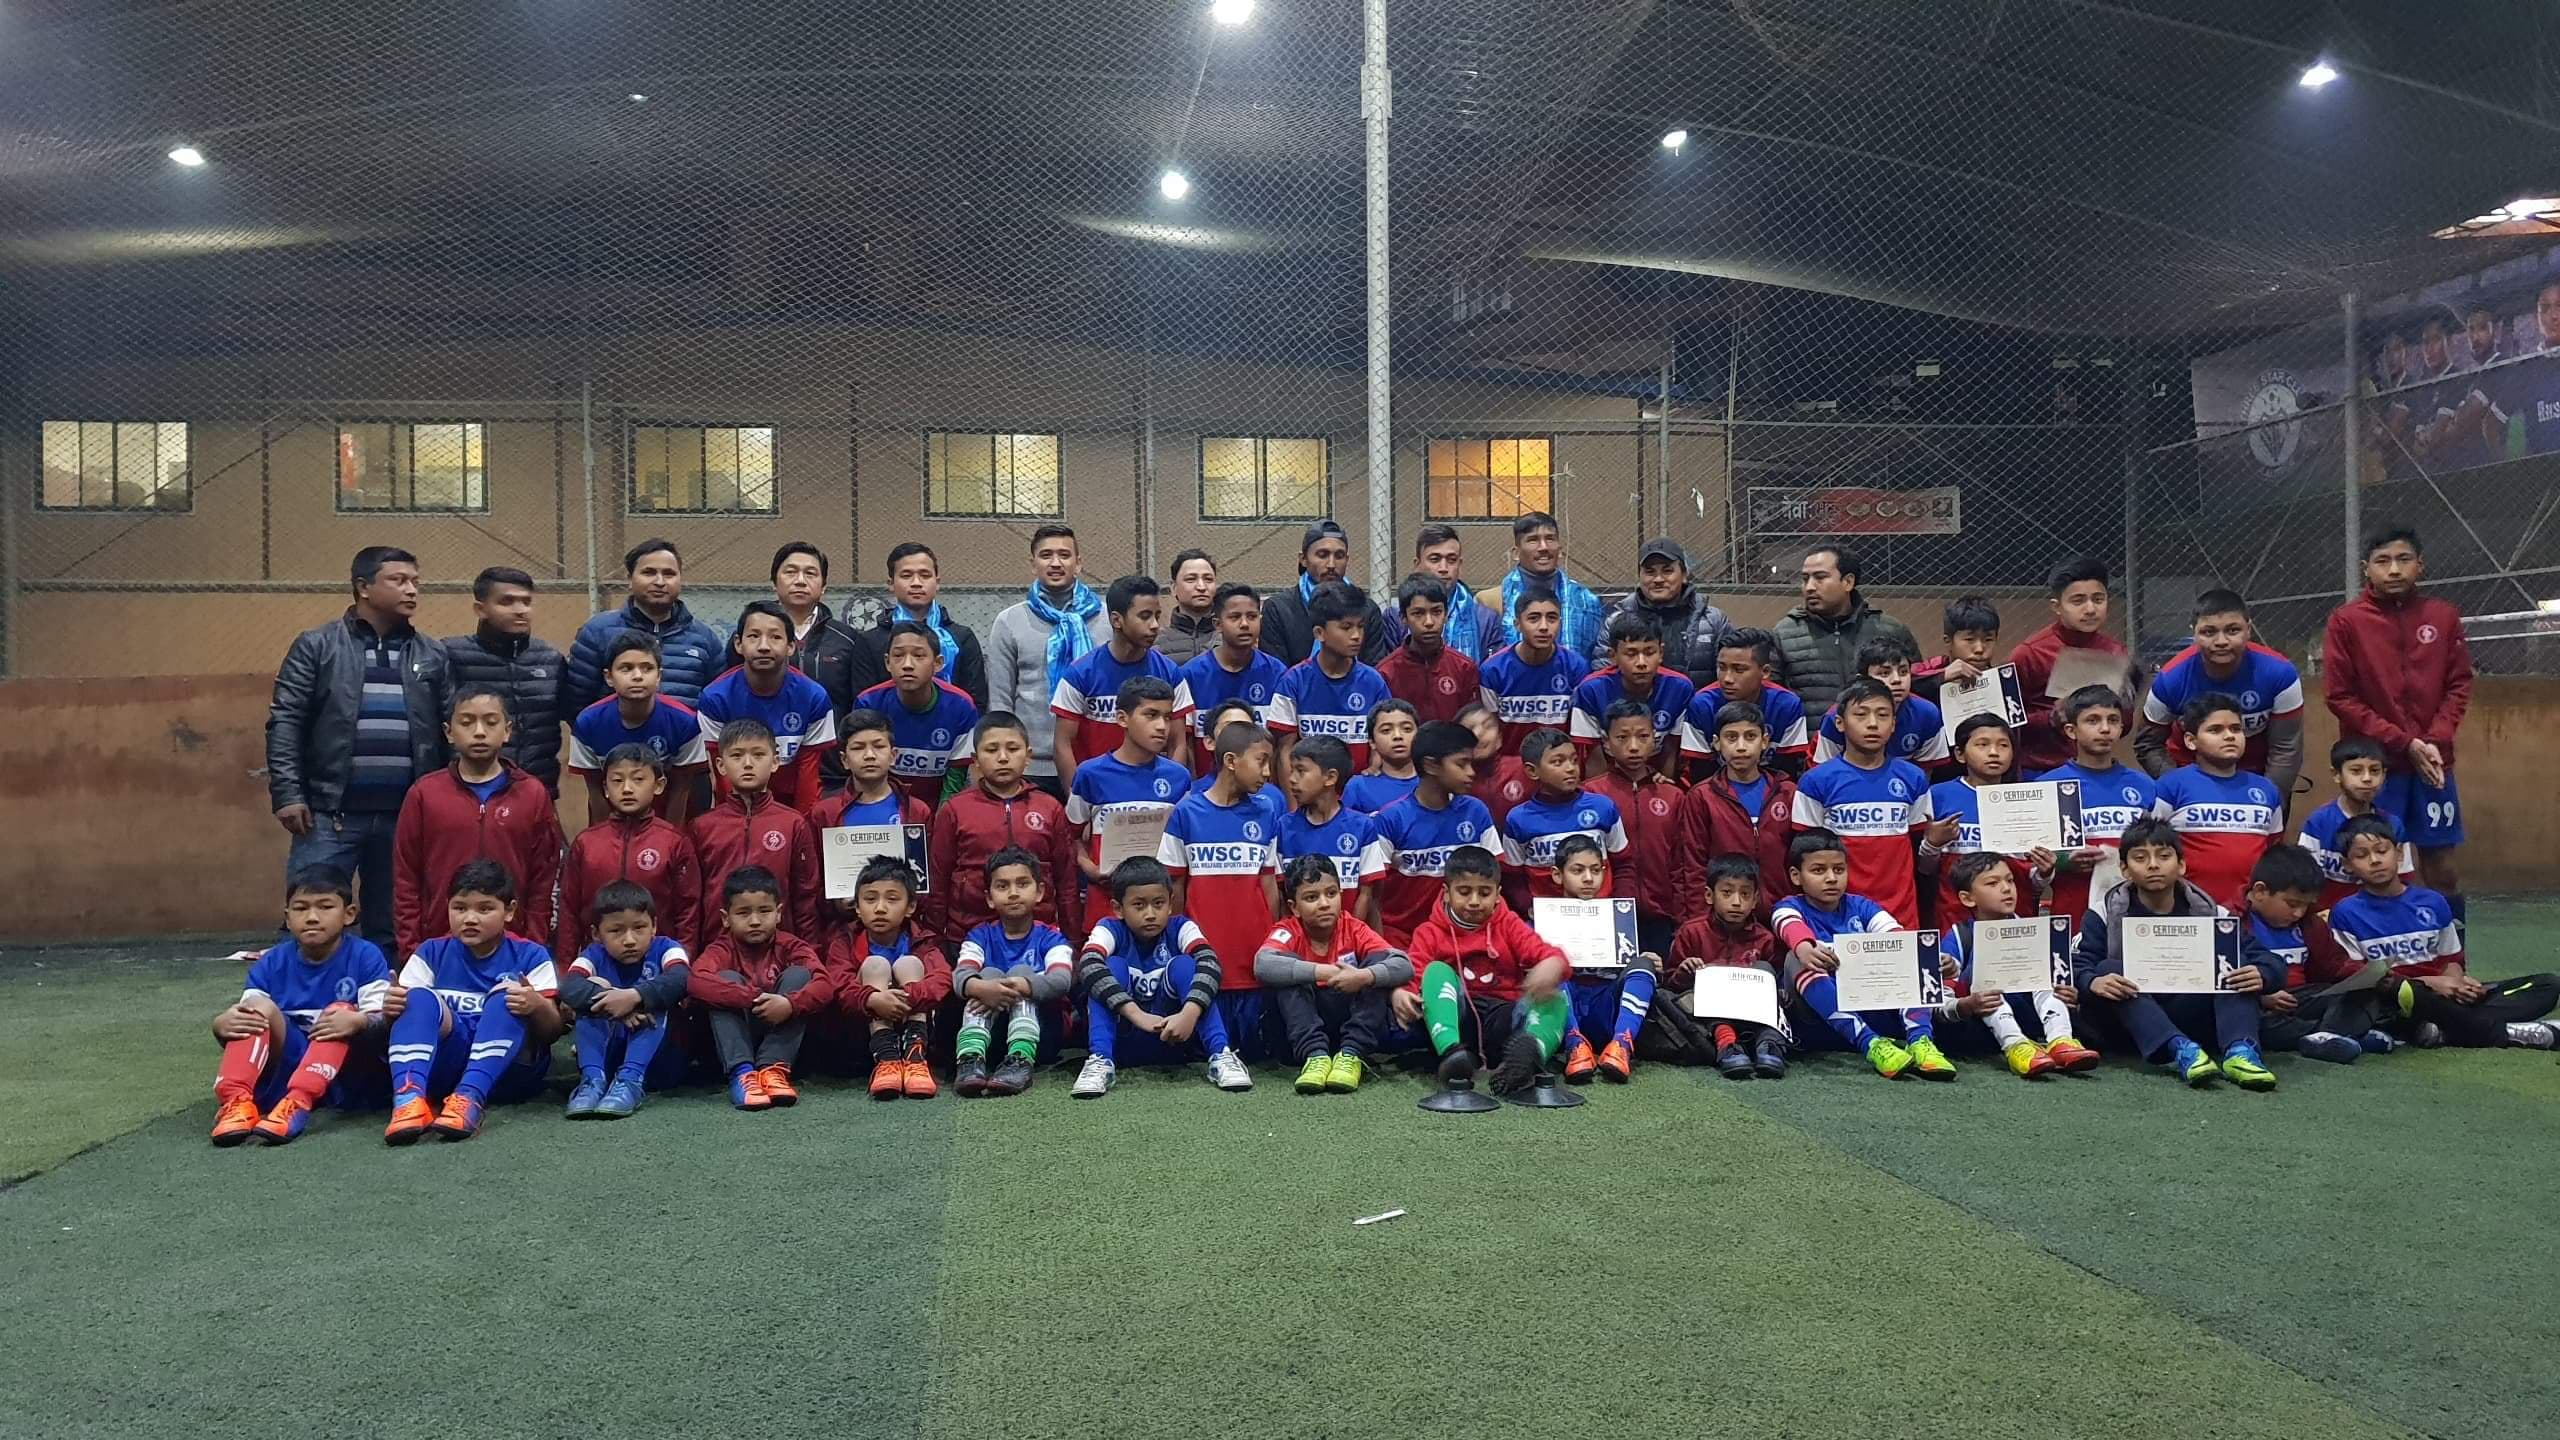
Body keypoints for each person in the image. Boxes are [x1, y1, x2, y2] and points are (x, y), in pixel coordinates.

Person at [266, 545, 453, 946]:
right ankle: (297, 987)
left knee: (394, 923)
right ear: (363, 587)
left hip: (406, 816)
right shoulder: (317, 645)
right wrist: (288, 793)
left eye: (415, 582)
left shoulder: (432, 653)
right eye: (398, 580)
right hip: (328, 815)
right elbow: (286, 720)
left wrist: (443, 803)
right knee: (313, 915)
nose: (412, 590)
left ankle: (384, 987)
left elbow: (449, 730)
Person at [2322, 526, 2474, 924]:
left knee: (2442, 868)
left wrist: (2434, 741)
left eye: (2403, 560)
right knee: (2374, 861)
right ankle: (2378, 951)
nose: (2393, 570)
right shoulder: (2346, 621)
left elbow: (2459, 684)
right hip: (2375, 768)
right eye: (2382, 561)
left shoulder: (2443, 616)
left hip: (2433, 765)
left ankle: (2452, 953)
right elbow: (2339, 696)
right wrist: (2405, 743)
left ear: (2419, 565)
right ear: (2366, 568)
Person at [2070, 819, 2281, 1089]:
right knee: (2107, 968)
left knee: (2234, 963)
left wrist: (2263, 974)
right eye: (2140, 858)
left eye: (2164, 856)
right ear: (2124, 869)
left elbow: (2269, 960)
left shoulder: (2213, 913)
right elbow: (2076, 964)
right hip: (2130, 1023)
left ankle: (2241, 1051)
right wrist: (2092, 981)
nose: (2153, 865)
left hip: (2193, 1013)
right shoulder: (2103, 912)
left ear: (2181, 865)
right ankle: (2179, 1049)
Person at [2328, 816, 2559, 1051]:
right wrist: (2432, 984)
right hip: (2399, 1001)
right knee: (2403, 996)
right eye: (2362, 855)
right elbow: (2361, 979)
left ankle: (2444, 1032)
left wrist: (2458, 984)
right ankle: (2507, 1034)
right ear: (2347, 864)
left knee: (2547, 985)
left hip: (2446, 997)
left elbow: (2451, 959)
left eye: (2381, 851)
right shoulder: (2346, 912)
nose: (2375, 860)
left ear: (2398, 854)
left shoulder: (2432, 901)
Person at [208, 866, 390, 1146]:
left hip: (349, 1075)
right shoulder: (272, 962)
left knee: (341, 1011)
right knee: (255, 1009)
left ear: (349, 914)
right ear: (287, 918)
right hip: (288, 1066)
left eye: (325, 907)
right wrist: (221, 1025)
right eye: (301, 908)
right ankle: (236, 1102)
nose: (312, 917)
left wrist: (360, 1021)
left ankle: (298, 1102)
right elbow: (247, 1024)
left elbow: (384, 1022)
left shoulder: (366, 955)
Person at [382, 860, 559, 1143]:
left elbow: (553, 1032)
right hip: (445, 1072)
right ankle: (409, 1099)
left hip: (509, 1075)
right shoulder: (430, 953)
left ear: (509, 911)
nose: (470, 919)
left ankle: (469, 1098)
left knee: (508, 995)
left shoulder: (531, 956)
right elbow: (403, 1025)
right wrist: (391, 1012)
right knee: (416, 998)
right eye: (460, 908)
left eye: (485, 909)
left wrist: (536, 1005)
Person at [388, 685, 561, 960]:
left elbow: (543, 881)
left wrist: (532, 947)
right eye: (467, 722)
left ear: (507, 730)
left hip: (513, 948)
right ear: (448, 732)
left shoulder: (532, 794)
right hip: (438, 947)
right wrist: (412, 951)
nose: (479, 732)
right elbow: (406, 879)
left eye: (490, 722)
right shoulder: (424, 794)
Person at [1772, 829, 1956, 1080]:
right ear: (1796, 876)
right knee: (1798, 958)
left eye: (1839, 869)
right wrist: (1804, 946)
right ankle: (1871, 1045)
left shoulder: (1862, 906)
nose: (1831, 878)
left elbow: (1896, 936)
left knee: (1911, 953)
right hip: (1820, 1019)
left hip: (1876, 1005)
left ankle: (1920, 1041)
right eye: (1818, 870)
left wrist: (1931, 959)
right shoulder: (1788, 906)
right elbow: (1789, 926)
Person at [1392, 845, 1573, 1096]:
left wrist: (1552, 964)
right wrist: (1402, 992)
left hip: (1506, 1022)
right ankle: (1452, 1054)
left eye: (1484, 893)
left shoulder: (1509, 923)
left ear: (1498, 894)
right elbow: (1415, 972)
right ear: (1446, 893)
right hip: (1459, 1021)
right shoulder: (1429, 932)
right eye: (1464, 892)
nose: (1475, 901)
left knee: (1557, 996)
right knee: (1436, 970)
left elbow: (1547, 953)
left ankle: (1529, 1055)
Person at [1072, 856, 1255, 1096]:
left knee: (1186, 965)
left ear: (1170, 903)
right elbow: (1087, 964)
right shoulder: (1109, 928)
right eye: (1139, 905)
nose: (1150, 914)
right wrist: (1136, 1014)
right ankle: (1100, 1061)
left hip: (1174, 1038)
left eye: (1158, 904)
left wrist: (1189, 1013)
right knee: (1111, 966)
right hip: (1122, 1040)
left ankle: (1221, 1054)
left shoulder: (1181, 927)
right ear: (1118, 908)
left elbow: (1211, 964)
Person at [1158, 721, 1285, 1060]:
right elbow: (1174, 888)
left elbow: (1269, 883)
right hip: (1204, 957)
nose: (1268, 772)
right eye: (1261, 761)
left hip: (1253, 958)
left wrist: (1272, 942)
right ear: (1231, 761)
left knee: (1257, 1053)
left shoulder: (1267, 811)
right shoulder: (1185, 813)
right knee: (1206, 1051)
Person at [1934, 852, 2100, 1079]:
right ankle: (2015, 1046)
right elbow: (1940, 1003)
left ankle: (2061, 1040)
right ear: (1968, 898)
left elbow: (2061, 983)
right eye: (1993, 883)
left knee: (2042, 967)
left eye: (2010, 880)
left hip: (2030, 1019)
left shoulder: (2035, 931)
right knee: (1982, 966)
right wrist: (1965, 1005)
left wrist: (2068, 996)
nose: (2006, 888)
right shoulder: (1959, 935)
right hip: (1980, 1028)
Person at [1256, 854, 1412, 1095]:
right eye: (1311, 897)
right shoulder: (1288, 930)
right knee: (1286, 970)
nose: (1324, 904)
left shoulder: (1354, 927)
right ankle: (1315, 1057)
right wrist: (1325, 972)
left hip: (1345, 1030)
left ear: (1340, 895)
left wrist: (1364, 976)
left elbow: (1402, 964)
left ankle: (1351, 1055)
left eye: (1331, 894)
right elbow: (1262, 964)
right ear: (1294, 907)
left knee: (1376, 965)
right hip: (1297, 1039)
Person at [687, 864, 834, 1110]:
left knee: (800, 975)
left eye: (764, 911)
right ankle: (742, 1074)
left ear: (778, 913)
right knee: (723, 980)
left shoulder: (792, 946)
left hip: (782, 1035)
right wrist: (753, 998)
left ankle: (773, 1069)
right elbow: (696, 981)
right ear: (725, 918)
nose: (755, 921)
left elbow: (825, 984)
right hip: (736, 1036)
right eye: (743, 913)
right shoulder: (721, 949)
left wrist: (789, 1004)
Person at [929, 712, 1079, 948]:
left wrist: (1073, 943)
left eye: (1013, 749)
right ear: (975, 760)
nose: (1002, 758)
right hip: (968, 937)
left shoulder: (1050, 808)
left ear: (1028, 756)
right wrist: (934, 942)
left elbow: (1066, 882)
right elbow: (938, 882)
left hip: (1039, 936)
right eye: (991, 750)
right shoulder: (954, 810)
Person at [2136, 590, 2305, 796]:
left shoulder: (2280, 673)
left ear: (2248, 629)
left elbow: (2286, 749)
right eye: (2209, 632)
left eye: (2233, 630)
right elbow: (2148, 744)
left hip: (2258, 777)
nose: (2221, 641)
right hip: (2190, 775)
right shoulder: (2171, 678)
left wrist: (2269, 798)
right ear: (2194, 633)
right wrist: (2179, 787)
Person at [1789, 678, 1927, 930]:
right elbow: (1805, 852)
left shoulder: (1914, 778)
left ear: (1893, 724)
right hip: (1839, 918)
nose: (1872, 723)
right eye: (1861, 715)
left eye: (1882, 715)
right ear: (1840, 723)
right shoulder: (1815, 782)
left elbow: (1919, 844)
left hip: (1901, 913)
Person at [986, 524, 1109, 799]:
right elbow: (1001, 700)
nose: (1055, 563)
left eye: (1064, 555)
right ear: (1033, 564)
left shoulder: (1107, 619)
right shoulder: (1009, 621)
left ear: (1078, 563)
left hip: (1097, 759)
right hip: (1032, 766)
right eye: (1046, 555)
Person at [2242, 844, 2391, 1067]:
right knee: (2253, 1022)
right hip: (2261, 1006)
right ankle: (2345, 1033)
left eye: (2305, 905)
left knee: (2362, 993)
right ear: (2260, 891)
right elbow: (2220, 976)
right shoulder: (2232, 921)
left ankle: (2328, 1036)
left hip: (2303, 998)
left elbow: (2334, 965)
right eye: (2292, 904)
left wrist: (2368, 974)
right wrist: (2261, 997)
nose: (2298, 912)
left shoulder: (2309, 924)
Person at [559, 880, 695, 1118]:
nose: (630, 940)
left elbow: (682, 978)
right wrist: (616, 1006)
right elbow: (568, 986)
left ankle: (631, 1080)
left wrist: (635, 996)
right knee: (590, 995)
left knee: (655, 999)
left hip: (662, 1062)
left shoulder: (666, 948)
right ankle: (591, 1081)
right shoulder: (594, 954)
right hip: (610, 1058)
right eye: (616, 931)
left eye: (639, 927)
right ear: (596, 934)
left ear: (654, 926)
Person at [1065, 677, 1191, 933]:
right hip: (1106, 906)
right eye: (1151, 715)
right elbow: (1070, 835)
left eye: (1167, 717)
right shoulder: (1090, 774)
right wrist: (1088, 866)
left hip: (1160, 910)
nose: (1162, 726)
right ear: (1122, 718)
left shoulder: (1179, 778)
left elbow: (1185, 842)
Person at [950, 847, 1077, 1097]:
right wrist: (982, 988)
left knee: (1021, 972)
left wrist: (1020, 985)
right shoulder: (979, 936)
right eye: (1002, 886)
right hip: (993, 1036)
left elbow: (1061, 980)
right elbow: (960, 976)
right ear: (989, 898)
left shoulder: (1051, 938)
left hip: (1043, 1038)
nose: (1013, 893)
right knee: (987, 975)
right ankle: (970, 1059)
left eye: (1022, 884)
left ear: (1039, 892)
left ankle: (1021, 1059)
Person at [687, 718, 822, 948]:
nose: (748, 764)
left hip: (779, 949)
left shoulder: (793, 823)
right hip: (717, 947)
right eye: (737, 756)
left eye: (758, 755)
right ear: (720, 765)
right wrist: (690, 954)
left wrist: (809, 954)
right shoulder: (702, 827)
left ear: (775, 762)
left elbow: (806, 897)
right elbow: (691, 900)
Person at [557, 743, 700, 960]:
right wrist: (565, 968)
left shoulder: (674, 842)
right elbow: (569, 911)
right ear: (605, 789)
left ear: (659, 785)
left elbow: (688, 912)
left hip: (658, 963)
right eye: (617, 780)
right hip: (597, 961)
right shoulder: (585, 844)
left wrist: (682, 964)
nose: (627, 789)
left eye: (638, 779)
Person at [2033, 684, 2158, 927]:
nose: (2105, 729)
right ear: (2071, 730)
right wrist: (2066, 861)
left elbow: (2161, 847)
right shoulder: (2046, 786)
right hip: (2073, 910)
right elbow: (2030, 856)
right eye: (2093, 720)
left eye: (2113, 720)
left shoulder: (2145, 786)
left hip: (2136, 913)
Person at [1651, 855, 1787, 1078]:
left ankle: (1768, 1044)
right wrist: (1685, 972)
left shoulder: (1765, 939)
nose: (1736, 902)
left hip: (1751, 1013)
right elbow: (1670, 986)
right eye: (1727, 893)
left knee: (1765, 970)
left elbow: (1778, 985)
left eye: (1745, 894)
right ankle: (1727, 1043)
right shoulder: (1691, 932)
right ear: (1709, 895)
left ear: (1755, 900)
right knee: (1667, 997)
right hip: (1706, 1014)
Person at [1052, 573, 1194, 785]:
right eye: (1145, 616)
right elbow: (1063, 745)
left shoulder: (1170, 672)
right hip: (1098, 790)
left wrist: (1170, 790)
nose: (1155, 625)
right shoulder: (1080, 674)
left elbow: (1178, 743)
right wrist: (1077, 797)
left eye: (1157, 616)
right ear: (1116, 620)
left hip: (1152, 790)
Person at [698, 600, 836, 814]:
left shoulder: (813, 697)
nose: (764, 646)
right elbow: (722, 774)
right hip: (736, 807)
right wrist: (734, 822)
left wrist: (802, 824)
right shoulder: (715, 697)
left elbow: (808, 773)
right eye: (754, 636)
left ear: (791, 646)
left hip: (790, 807)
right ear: (738, 643)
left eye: (775, 637)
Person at [2149, 693, 2284, 912]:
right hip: (2186, 910)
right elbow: (2150, 847)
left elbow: (2274, 852)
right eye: (2215, 730)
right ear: (2191, 741)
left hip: (2249, 913)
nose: (2229, 736)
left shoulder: (2267, 790)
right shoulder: (2170, 786)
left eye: (2236, 729)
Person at [1542, 834, 1659, 1085]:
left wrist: (1643, 960)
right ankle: (1574, 1045)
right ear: (1557, 875)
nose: (1588, 878)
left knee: (1644, 966)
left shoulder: (1618, 917)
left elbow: (1630, 962)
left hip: (1606, 1008)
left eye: (1596, 870)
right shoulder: (1542, 920)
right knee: (1547, 966)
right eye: (1578, 870)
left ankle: (1621, 1045)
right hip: (1565, 1011)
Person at [1370, 720, 1499, 946]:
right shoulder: (1390, 819)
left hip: (1465, 936)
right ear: (1431, 765)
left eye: (1471, 763)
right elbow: (1372, 895)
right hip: (1402, 939)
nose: (1471, 772)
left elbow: (1494, 879)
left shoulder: (1476, 811)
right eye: (1461, 764)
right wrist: (1383, 951)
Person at [2010, 556, 2141, 776]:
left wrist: (2122, 709)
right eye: (2078, 601)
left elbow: (2124, 726)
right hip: (2040, 771)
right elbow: (2005, 723)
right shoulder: (2029, 653)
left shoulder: (2117, 653)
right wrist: (2052, 718)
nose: (2090, 609)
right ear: (2057, 606)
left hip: (2097, 769)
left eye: (2098, 599)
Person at [834, 856, 952, 1100]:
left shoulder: (922, 941)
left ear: (910, 907)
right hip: (864, 1036)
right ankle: (886, 1058)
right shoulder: (844, 942)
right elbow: (838, 984)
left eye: (892, 899)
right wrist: (873, 999)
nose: (880, 908)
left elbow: (942, 979)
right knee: (875, 964)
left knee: (909, 963)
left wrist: (907, 996)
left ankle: (915, 1058)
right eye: (870, 899)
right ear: (857, 907)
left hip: (913, 1018)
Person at [810, 709, 933, 942]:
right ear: (844, 760)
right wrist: (834, 902)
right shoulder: (824, 813)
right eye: (858, 748)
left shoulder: (917, 811)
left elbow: (926, 879)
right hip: (842, 934)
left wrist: (908, 899)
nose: (869, 755)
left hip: (904, 934)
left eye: (878, 746)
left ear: (893, 755)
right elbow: (812, 881)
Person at [441, 566, 564, 793]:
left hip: (538, 789)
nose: (520, 610)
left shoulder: (550, 659)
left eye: (526, 602)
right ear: (480, 609)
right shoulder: (449, 655)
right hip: (466, 791)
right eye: (507, 602)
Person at [1910, 714, 2041, 927]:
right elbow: (1925, 869)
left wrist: (2046, 871)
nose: (1994, 752)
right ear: (1960, 754)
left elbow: (2033, 879)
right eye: (1982, 745)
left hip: (2015, 917)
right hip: (1953, 915)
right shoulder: (1937, 795)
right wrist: (1933, 843)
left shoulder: (2028, 800)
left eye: (2003, 745)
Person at [564, 538, 725, 709]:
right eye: (649, 573)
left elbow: (717, 704)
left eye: (669, 574)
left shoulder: (705, 638)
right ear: (630, 579)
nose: (660, 582)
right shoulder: (597, 632)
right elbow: (577, 701)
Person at [566, 634, 708, 824]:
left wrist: (670, 836)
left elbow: (681, 789)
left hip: (663, 822)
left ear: (659, 676)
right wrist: (602, 838)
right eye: (626, 668)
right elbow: (595, 791)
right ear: (609, 677)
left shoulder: (685, 722)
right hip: (611, 824)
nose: (638, 676)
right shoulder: (588, 723)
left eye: (647, 668)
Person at [1670, 701, 1795, 916]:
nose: (1741, 747)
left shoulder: (1788, 792)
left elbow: (1801, 858)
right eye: (1731, 737)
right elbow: (1692, 865)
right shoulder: (1702, 797)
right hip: (1725, 915)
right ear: (1717, 743)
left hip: (1782, 911)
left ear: (1764, 741)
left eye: (1750, 736)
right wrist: (1699, 921)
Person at [1580, 700, 1683, 953]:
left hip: (1662, 915)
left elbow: (1682, 862)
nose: (1634, 746)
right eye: (1622, 737)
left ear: (1654, 739)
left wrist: (1682, 917)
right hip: (1607, 911)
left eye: (1643, 736)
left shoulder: (1673, 795)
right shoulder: (1590, 795)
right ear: (1606, 743)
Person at [1772, 544, 1918, 714]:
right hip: (1812, 731)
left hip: (1879, 729)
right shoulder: (1784, 633)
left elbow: (1916, 685)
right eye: (1805, 579)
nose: (1810, 587)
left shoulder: (1890, 630)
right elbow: (1773, 698)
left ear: (1848, 582)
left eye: (1820, 578)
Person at [1268, 581, 1395, 774]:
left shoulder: (1374, 682)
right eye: (1346, 627)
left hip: (1358, 788)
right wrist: (1293, 794)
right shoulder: (1293, 681)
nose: (1356, 636)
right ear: (1320, 633)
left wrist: (1371, 774)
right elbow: (1285, 750)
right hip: (1308, 788)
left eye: (1360, 626)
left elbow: (1380, 744)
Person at [767, 542, 866, 786]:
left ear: (823, 587)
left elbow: (857, 706)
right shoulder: (753, 637)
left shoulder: (847, 640)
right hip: (766, 769)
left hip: (831, 770)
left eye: (810, 573)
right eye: (790, 572)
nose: (800, 581)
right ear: (774, 583)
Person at [1498, 728, 1629, 912]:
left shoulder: (1603, 808)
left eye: (1574, 760)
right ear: (1532, 771)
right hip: (1546, 917)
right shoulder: (1518, 819)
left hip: (1601, 912)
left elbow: (1624, 864)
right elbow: (1513, 877)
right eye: (1558, 762)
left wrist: (1619, 906)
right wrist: (1530, 908)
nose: (1570, 768)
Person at [854, 622, 978, 808]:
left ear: (938, 663)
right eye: (898, 656)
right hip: (885, 805)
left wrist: (943, 818)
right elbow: (866, 774)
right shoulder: (869, 703)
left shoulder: (961, 706)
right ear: (887, 662)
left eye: (919, 656)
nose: (907, 665)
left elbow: (955, 779)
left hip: (937, 805)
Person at [1276, 735, 1386, 930]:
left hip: (1351, 938)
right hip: (1300, 941)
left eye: (1301, 771)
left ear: (1330, 777)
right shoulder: (1283, 828)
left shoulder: (1362, 827)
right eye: (1291, 770)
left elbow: (1366, 895)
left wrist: (1349, 937)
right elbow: (1283, 898)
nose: (1291, 779)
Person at [1177, 581, 1287, 776]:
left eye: (1252, 616)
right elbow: (1186, 744)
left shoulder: (1277, 672)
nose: (1244, 624)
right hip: (1207, 787)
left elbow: (1281, 744)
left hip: (1261, 787)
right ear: (1217, 624)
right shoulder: (1191, 674)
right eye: (1235, 617)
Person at [863, 541, 988, 709]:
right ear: (891, 583)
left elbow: (976, 701)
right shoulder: (870, 642)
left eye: (925, 575)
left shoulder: (962, 638)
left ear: (937, 582)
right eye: (906, 575)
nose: (916, 582)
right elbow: (864, 702)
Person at [1571, 612, 1695, 778]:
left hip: (1655, 778)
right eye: (1631, 654)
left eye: (1649, 652)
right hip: (1609, 778)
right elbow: (1593, 755)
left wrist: (1664, 788)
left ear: (1661, 652)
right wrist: (1602, 791)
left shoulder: (1680, 688)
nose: (1641, 663)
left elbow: (1671, 749)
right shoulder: (1590, 690)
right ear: (1613, 656)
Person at [2297, 737, 2415, 909]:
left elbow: (2404, 880)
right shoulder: (2319, 822)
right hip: (2329, 915)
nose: (2367, 778)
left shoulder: (2393, 824)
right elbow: (2304, 879)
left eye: (2374, 771)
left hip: (2381, 913)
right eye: (2356, 771)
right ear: (2336, 774)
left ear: (2384, 774)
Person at [1680, 628, 1810, 780]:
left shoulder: (1787, 705)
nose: (1727, 679)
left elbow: (1788, 771)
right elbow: (1699, 773)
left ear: (1765, 672)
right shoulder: (1702, 705)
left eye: (1739, 670)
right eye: (1722, 668)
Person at [1596, 538, 1731, 685]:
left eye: (1667, 571)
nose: (1658, 579)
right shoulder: (1615, 621)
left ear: (1684, 575)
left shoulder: (1713, 621)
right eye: (1650, 572)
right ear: (1639, 576)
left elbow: (1730, 675)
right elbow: (1603, 674)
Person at [1811, 633, 1950, 773]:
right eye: (1884, 673)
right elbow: (1823, 773)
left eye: (1903, 672)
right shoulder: (1837, 716)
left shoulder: (1927, 713)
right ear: (1863, 678)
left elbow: (1925, 773)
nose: (1897, 680)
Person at [1477, 586, 1590, 756]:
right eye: (1533, 618)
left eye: (1552, 618)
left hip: (1559, 763)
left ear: (1560, 623)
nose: (1544, 626)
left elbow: (1579, 733)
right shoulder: (1492, 670)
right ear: (1517, 624)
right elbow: (1491, 733)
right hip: (1509, 763)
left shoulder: (1576, 667)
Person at [1260, 520, 1391, 666]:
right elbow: (1274, 670)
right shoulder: (1279, 609)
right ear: (1303, 559)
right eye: (1322, 555)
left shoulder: (1367, 609)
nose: (1331, 565)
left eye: (1339, 556)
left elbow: (1374, 669)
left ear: (1347, 559)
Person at [1476, 511, 1606, 656]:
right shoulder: (1491, 601)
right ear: (1516, 553)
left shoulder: (1586, 600)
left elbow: (1598, 657)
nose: (1544, 547)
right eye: (1533, 540)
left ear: (1560, 551)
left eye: (1550, 539)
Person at [1376, 573, 1482, 727]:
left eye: (1436, 612)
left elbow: (1472, 726)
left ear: (1446, 615)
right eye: (1418, 613)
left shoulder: (1464, 668)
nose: (1429, 622)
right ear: (1403, 617)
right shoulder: (1386, 672)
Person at [1401, 523, 1489, 660]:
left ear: (1460, 564)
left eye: (1452, 560)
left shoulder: (1484, 618)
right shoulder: (1396, 618)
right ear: (1417, 564)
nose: (1443, 568)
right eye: (1435, 559)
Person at [1910, 595, 2003, 707]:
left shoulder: (2002, 681)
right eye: (1970, 639)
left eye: (1988, 639)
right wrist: (1942, 676)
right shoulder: (1935, 667)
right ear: (1948, 641)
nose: (1979, 649)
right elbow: (1904, 680)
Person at [1344, 700, 1421, 813]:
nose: (1398, 736)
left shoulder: (1434, 782)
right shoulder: (1358, 787)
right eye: (1386, 730)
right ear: (1372, 743)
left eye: (1407, 729)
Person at [1160, 548, 1222, 667]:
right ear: (1173, 588)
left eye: (1208, 579)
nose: (1201, 587)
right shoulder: (1155, 645)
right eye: (1191, 579)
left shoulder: (1230, 639)